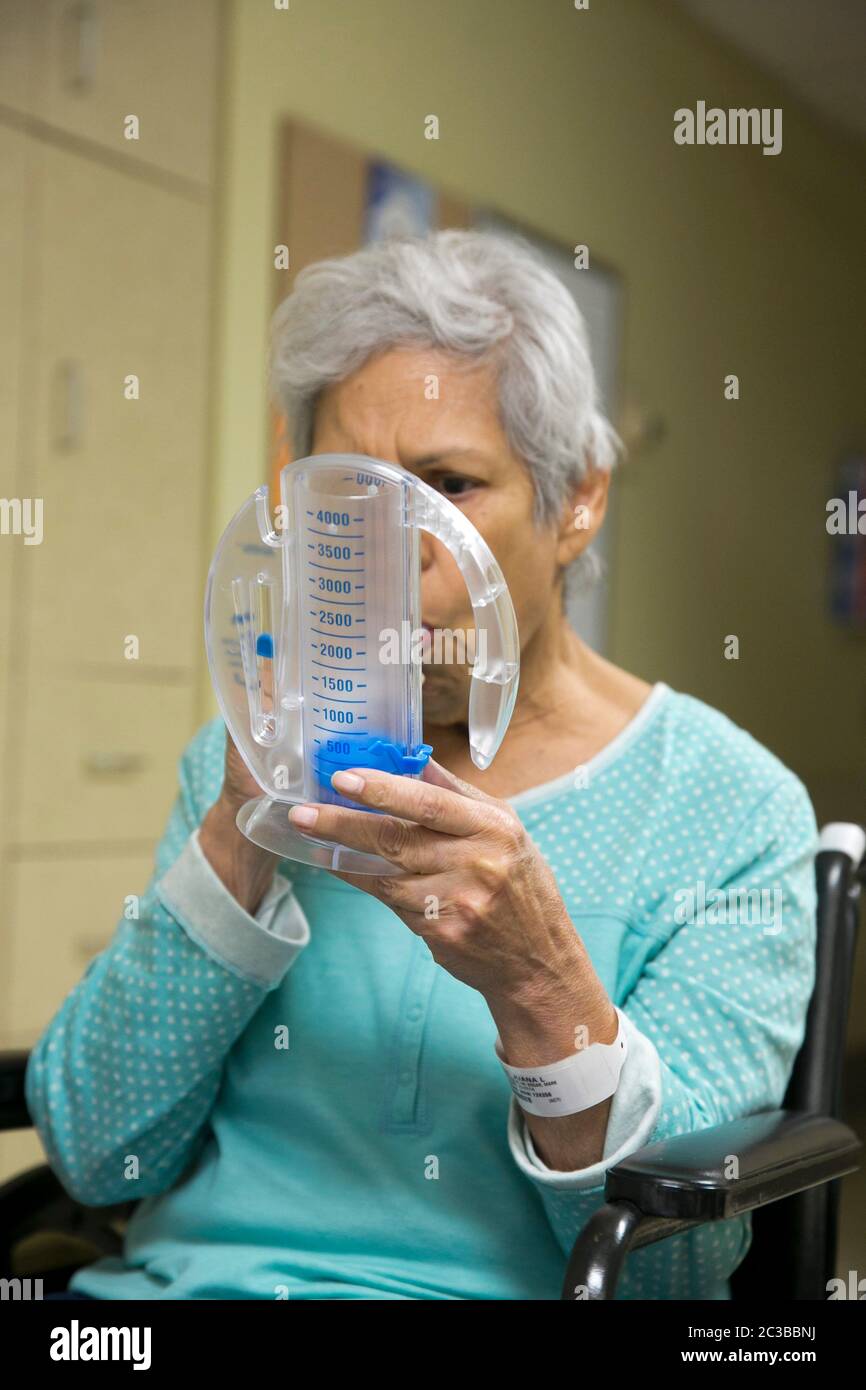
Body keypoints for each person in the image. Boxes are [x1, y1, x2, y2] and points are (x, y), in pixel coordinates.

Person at [26, 230, 817, 1300]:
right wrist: (234, 844)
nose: (388, 556)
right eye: (346, 497)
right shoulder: (243, 759)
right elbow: (96, 1154)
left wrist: (538, 986)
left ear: (576, 497)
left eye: (448, 486)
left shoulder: (729, 809)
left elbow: (668, 1280)